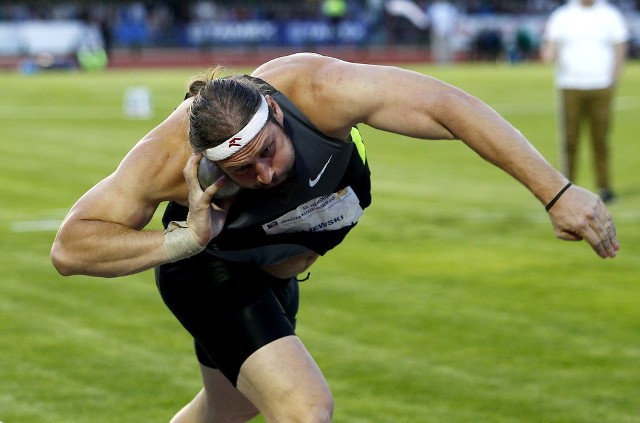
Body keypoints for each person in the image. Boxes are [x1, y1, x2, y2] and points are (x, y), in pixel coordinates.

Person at [50, 52, 619, 422]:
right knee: (306, 410)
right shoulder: (168, 157)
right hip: (212, 274)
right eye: (242, 171)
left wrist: (556, 190)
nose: (265, 175)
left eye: (268, 152)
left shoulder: (319, 89)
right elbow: (70, 247)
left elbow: (448, 106)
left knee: (222, 414)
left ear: (274, 110)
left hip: (276, 279)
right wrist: (184, 239)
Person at [541, 0, 629, 203]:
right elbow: (551, 44)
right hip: (570, 84)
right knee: (569, 140)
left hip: (601, 84)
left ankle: (604, 186)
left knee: (601, 139)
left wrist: (613, 77)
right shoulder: (563, 15)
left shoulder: (609, 14)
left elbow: (619, 45)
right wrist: (550, 52)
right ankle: (567, 186)